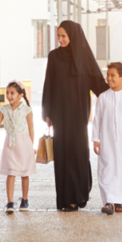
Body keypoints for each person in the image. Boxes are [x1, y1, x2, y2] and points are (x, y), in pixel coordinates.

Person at [42, 21, 109, 211]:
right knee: (62, 153)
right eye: (58, 36)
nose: (60, 40)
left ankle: (78, 195)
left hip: (78, 115)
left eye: (64, 36)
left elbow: (99, 85)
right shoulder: (54, 56)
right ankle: (66, 199)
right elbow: (49, 83)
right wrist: (47, 113)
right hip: (59, 114)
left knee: (77, 152)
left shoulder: (84, 57)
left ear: (73, 36)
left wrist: (118, 90)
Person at [93, 62, 122, 215]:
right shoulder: (103, 97)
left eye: (113, 75)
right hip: (106, 141)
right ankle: (108, 201)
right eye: (107, 75)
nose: (109, 78)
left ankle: (120, 201)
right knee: (107, 169)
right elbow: (97, 119)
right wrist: (95, 139)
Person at [0, 81, 36, 213]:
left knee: (24, 173)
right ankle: (10, 202)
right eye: (7, 93)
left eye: (12, 93)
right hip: (10, 145)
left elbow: (31, 129)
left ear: (20, 95)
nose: (9, 95)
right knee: (11, 173)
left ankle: (24, 200)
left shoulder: (26, 110)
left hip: (24, 145)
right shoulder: (4, 109)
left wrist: (31, 146)